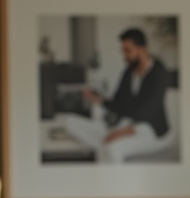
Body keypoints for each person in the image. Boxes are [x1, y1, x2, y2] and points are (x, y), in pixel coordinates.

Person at [61, 27, 171, 163]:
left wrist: (120, 133)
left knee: (113, 149)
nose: (124, 56)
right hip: (123, 124)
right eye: (122, 50)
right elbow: (118, 102)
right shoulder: (129, 72)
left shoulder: (159, 73)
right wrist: (96, 98)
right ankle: (105, 144)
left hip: (149, 130)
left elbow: (147, 111)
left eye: (128, 51)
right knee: (69, 122)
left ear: (142, 49)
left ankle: (108, 155)